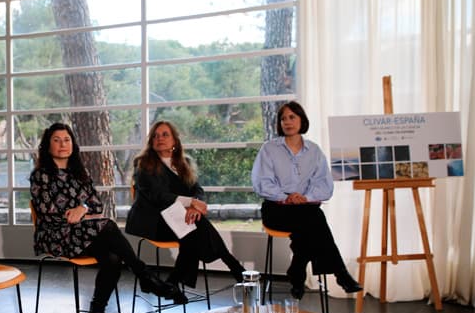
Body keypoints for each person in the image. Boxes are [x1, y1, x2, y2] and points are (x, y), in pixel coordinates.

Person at [30, 123, 186, 313]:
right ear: (47, 146)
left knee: (113, 258)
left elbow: (95, 204)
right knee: (108, 226)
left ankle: (97, 311)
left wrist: (82, 208)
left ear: (73, 144)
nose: (62, 144)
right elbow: (48, 211)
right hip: (56, 235)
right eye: (56, 140)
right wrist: (75, 212)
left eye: (66, 140)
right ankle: (145, 275)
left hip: (81, 233)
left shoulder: (79, 173)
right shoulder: (41, 175)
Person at [251, 101, 362, 299]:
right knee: (315, 220)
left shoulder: (314, 151)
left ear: (302, 120)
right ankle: (340, 274)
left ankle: (297, 272)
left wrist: (305, 197)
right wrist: (286, 197)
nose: (287, 122)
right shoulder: (269, 149)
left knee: (310, 219)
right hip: (276, 209)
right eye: (283, 118)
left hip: (304, 208)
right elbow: (261, 183)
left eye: (292, 117)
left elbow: (324, 185)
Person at [126, 121, 246, 291]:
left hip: (179, 219)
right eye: (155, 135)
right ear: (151, 142)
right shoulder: (143, 163)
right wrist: (190, 203)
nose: (159, 138)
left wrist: (193, 207)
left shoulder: (184, 162)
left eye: (165, 134)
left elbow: (197, 189)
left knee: (194, 228)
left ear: (175, 140)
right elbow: (157, 196)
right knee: (197, 230)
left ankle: (172, 285)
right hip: (152, 220)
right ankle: (236, 268)